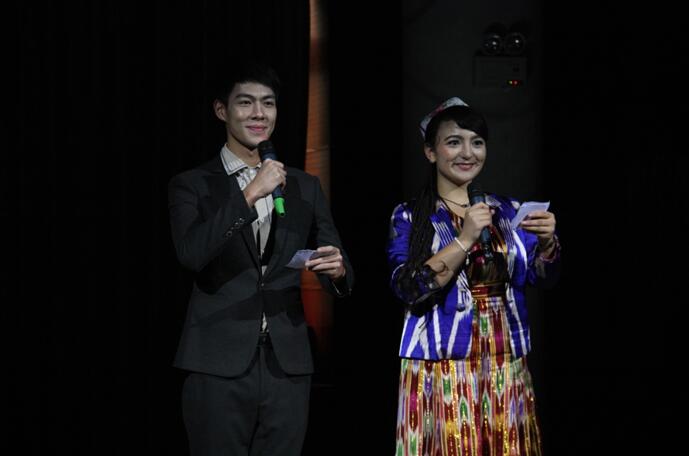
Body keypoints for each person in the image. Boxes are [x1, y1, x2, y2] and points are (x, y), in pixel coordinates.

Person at [168, 61, 354, 456]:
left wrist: (337, 271)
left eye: (268, 103)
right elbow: (192, 254)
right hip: (217, 362)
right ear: (222, 110)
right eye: (246, 102)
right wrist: (251, 192)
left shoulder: (304, 185)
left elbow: (339, 265)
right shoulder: (192, 184)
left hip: (287, 364)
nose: (259, 113)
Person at [387, 97, 560, 455]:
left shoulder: (507, 210)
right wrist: (464, 239)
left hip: (504, 357)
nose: (468, 153)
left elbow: (543, 279)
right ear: (430, 152)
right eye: (454, 142)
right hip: (441, 362)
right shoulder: (410, 216)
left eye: (477, 142)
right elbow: (408, 287)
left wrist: (547, 244)